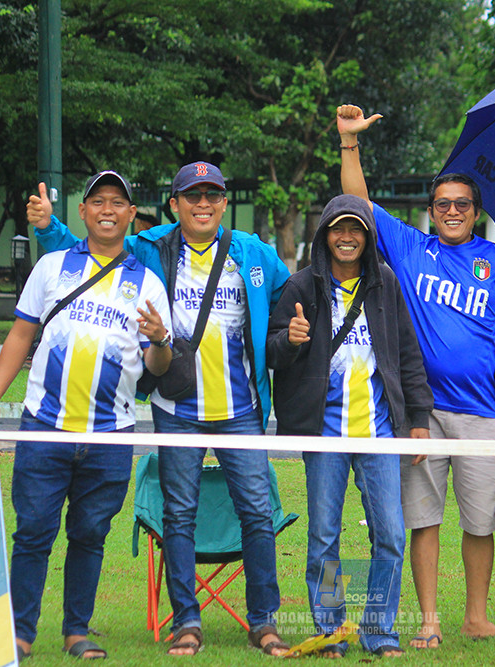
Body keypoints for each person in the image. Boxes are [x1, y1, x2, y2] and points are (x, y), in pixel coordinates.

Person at [31, 161, 292, 656]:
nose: (203, 204)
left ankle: (264, 621)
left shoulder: (253, 253)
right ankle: (186, 623)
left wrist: (289, 334)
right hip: (178, 407)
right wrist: (49, 226)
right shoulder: (151, 248)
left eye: (213, 195)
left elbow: (288, 296)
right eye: (192, 196)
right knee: (179, 515)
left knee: (258, 513)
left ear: (223, 203)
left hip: (243, 410)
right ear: (175, 205)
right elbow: (92, 249)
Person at [337, 104, 495, 647]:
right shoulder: (411, 248)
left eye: (461, 204)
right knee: (423, 520)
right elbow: (359, 204)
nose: (451, 212)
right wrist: (351, 144)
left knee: (481, 522)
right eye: (442, 204)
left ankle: (475, 615)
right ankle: (428, 620)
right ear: (431, 211)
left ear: (476, 210)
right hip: (420, 413)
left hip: (483, 413)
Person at [0, 171, 173, 661]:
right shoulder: (51, 267)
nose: (108, 210)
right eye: (98, 201)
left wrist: (162, 339)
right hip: (44, 427)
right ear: (82, 212)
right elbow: (21, 335)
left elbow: (157, 365)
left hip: (111, 435)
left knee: (90, 535)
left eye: (118, 203)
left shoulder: (148, 282)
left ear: (132, 215)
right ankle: (19, 633)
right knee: (34, 531)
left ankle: (76, 633)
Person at [267, 194, 433, 658]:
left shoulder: (384, 282)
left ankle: (379, 631)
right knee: (324, 536)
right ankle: (331, 629)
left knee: (392, 535)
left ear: (367, 237)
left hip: (379, 433)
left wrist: (417, 419)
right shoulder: (302, 286)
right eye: (338, 229)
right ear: (324, 235)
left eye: (356, 230)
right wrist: (291, 340)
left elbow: (407, 356)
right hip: (324, 435)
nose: (347, 237)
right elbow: (272, 350)